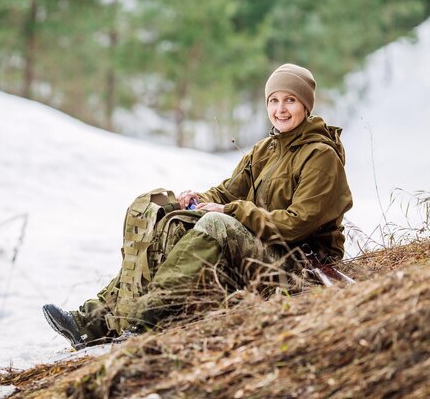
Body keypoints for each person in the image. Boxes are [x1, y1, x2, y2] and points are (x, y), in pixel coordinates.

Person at [43, 63, 353, 349]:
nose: (280, 109)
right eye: (274, 100)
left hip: (298, 267)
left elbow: (297, 223)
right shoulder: (266, 150)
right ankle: (92, 322)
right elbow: (228, 192)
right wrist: (196, 201)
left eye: (290, 101)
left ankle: (146, 320)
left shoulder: (320, 156)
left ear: (305, 105)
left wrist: (229, 212)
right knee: (173, 222)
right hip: (263, 251)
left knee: (216, 225)